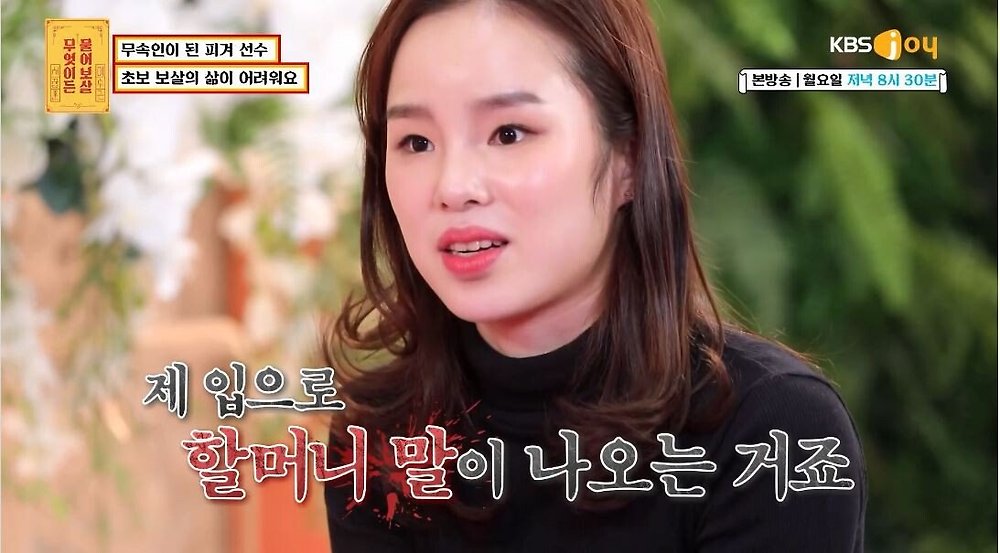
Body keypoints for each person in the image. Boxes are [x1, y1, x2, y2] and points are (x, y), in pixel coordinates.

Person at [322, 0, 867, 551]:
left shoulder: (774, 432)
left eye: (509, 133)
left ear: (630, 157)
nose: (453, 186)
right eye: (416, 142)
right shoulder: (379, 443)